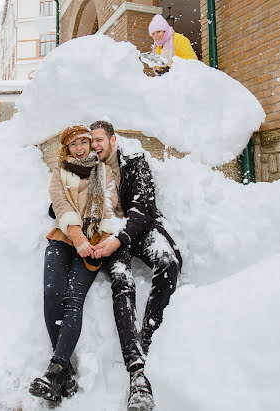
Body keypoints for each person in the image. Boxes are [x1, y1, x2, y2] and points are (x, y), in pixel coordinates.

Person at [90, 120, 182, 411]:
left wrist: (123, 237)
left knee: (168, 261)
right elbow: (65, 200)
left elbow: (144, 206)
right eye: (91, 141)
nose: (94, 146)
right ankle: (136, 369)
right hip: (107, 233)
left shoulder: (134, 161)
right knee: (122, 279)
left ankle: (150, 336)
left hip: (136, 228)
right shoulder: (87, 169)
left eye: (99, 140)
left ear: (113, 140)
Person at [29, 125, 118, 404]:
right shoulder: (59, 173)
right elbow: (62, 208)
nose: (80, 148)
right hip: (63, 239)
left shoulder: (101, 171)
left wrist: (97, 241)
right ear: (66, 148)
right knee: (51, 295)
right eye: (73, 144)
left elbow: (105, 209)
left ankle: (54, 368)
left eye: (84, 142)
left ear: (90, 144)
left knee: (73, 299)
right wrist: (77, 239)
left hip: (91, 245)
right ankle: (63, 373)